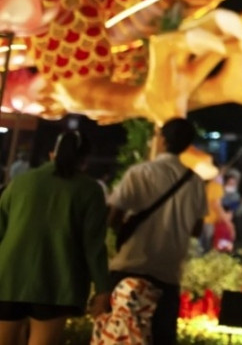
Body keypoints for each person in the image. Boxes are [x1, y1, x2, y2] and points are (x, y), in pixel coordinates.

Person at [0, 129, 112, 345]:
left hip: (7, 278)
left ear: (52, 154)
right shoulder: (90, 190)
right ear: (84, 160)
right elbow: (94, 246)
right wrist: (102, 288)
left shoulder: (21, 182)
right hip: (57, 282)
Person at [107, 117, 208, 345]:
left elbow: (113, 216)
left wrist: (124, 229)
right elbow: (196, 229)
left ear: (162, 140)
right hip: (168, 275)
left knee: (119, 336)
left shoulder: (139, 173)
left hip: (129, 270)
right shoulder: (195, 182)